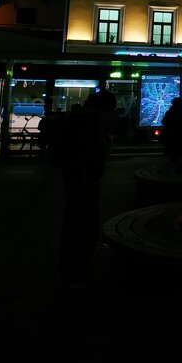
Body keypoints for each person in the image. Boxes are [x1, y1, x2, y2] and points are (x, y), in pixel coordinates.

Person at [50, 90, 116, 288]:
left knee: (72, 224)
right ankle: (78, 272)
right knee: (84, 225)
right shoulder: (91, 124)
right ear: (103, 109)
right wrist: (107, 142)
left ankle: (70, 268)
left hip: (73, 176)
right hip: (85, 178)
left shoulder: (75, 118)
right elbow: (97, 151)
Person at [161, 97, 182, 165]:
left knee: (173, 148)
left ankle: (173, 161)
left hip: (171, 133)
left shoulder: (170, 112)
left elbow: (164, 121)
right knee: (178, 148)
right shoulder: (181, 112)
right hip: (178, 133)